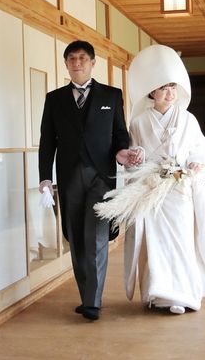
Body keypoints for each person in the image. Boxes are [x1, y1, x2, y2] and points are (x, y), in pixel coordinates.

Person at [95, 44, 205, 314]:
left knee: (181, 241)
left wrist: (195, 163)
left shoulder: (188, 120)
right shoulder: (139, 122)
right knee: (156, 244)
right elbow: (132, 156)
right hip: (152, 189)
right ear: (151, 92)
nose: (169, 93)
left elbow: (199, 150)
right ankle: (158, 294)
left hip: (179, 190)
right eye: (163, 88)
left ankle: (183, 295)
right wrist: (137, 156)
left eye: (173, 87)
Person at [38, 40, 142, 321]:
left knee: (96, 236)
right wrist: (45, 178)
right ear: (66, 64)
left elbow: (119, 133)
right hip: (69, 177)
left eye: (82, 58)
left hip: (101, 177)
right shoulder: (54, 99)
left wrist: (122, 153)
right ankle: (87, 296)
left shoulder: (112, 95)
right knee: (75, 237)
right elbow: (47, 142)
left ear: (93, 63)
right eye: (71, 58)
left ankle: (93, 302)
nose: (77, 63)